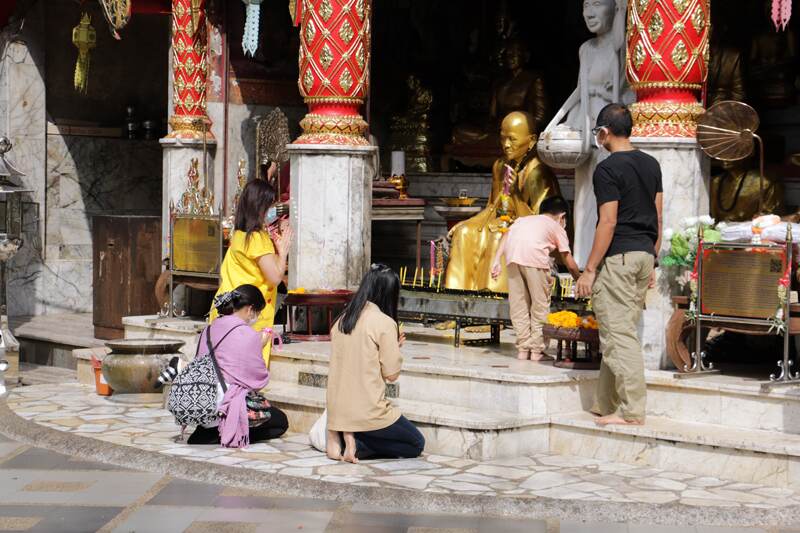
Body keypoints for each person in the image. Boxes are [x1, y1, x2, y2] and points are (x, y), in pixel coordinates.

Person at [576, 103, 663, 427]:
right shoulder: (651, 164)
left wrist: (589, 269)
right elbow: (658, 216)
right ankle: (604, 403)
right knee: (619, 330)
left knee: (618, 336)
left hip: (620, 258)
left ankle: (631, 411)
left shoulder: (608, 169)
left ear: (604, 132)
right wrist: (652, 259)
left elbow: (608, 222)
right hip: (642, 256)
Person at [446, 111, 561, 292]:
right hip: (502, 222)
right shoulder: (500, 166)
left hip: (529, 230)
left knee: (500, 236)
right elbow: (493, 207)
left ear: (531, 141)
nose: (506, 145)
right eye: (502, 139)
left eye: (512, 139)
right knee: (464, 233)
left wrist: (515, 192)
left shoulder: (538, 173)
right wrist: (467, 223)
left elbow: (541, 224)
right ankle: (457, 297)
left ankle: (490, 297)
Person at [326, 264, 425, 463]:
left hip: (338, 410)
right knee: (416, 443)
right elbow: (391, 374)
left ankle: (349, 436)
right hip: (368, 411)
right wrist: (395, 348)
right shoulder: (384, 323)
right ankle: (360, 444)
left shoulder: (342, 320)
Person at [189, 284, 289, 447]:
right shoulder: (247, 334)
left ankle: (207, 431)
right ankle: (223, 432)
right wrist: (259, 345)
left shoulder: (208, 329)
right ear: (250, 310)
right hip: (224, 405)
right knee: (280, 421)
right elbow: (258, 380)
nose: (256, 317)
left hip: (201, 401)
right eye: (257, 312)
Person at [210, 179, 293, 366]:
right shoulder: (257, 239)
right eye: (270, 205)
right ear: (261, 206)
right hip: (247, 313)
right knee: (243, 371)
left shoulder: (239, 235)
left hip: (227, 308)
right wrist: (283, 251)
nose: (273, 210)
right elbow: (275, 277)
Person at [491, 196, 581, 361]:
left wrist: (496, 260)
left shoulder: (523, 220)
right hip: (535, 261)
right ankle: (537, 351)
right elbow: (568, 260)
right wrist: (580, 279)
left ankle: (523, 349)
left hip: (512, 259)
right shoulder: (555, 226)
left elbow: (506, 235)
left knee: (519, 305)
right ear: (562, 216)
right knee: (540, 306)